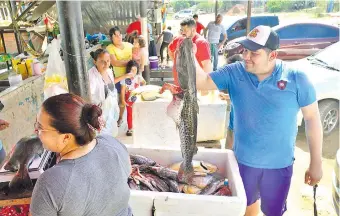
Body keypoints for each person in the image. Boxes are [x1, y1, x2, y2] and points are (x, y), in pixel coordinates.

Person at [196, 25, 323, 216]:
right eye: (245, 50)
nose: (246, 56)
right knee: (246, 208)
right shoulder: (234, 72)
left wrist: (316, 163)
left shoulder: (297, 79)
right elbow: (201, 82)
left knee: (273, 212)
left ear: (273, 56)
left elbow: (312, 118)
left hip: (279, 166)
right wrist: (189, 53)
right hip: (242, 163)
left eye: (254, 53)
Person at [30, 93, 132, 216]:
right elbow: (127, 173)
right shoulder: (112, 143)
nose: (36, 131)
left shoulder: (50, 182)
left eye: (40, 128)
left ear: (66, 137)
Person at [88, 48, 132, 137]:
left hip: (111, 111)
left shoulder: (109, 71)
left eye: (108, 61)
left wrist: (126, 76)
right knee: (101, 137)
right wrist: (96, 116)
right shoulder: (91, 76)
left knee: (111, 133)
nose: (106, 64)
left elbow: (111, 84)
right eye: (102, 61)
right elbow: (90, 97)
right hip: (100, 113)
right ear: (95, 61)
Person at [168, 18, 212, 86]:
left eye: (185, 30)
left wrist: (206, 85)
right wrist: (175, 63)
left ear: (193, 30)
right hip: (178, 85)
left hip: (194, 87)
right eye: (181, 30)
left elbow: (207, 66)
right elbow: (170, 49)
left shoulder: (201, 43)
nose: (182, 32)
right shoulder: (179, 39)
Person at [106, 26, 133, 125]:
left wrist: (127, 62)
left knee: (132, 98)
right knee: (121, 100)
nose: (119, 37)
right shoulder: (110, 48)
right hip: (119, 78)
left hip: (132, 77)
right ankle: (120, 118)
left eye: (120, 34)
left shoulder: (129, 45)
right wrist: (130, 62)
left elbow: (136, 58)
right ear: (111, 38)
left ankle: (132, 121)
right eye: (116, 36)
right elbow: (115, 63)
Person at [120, 60, 146, 136]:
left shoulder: (138, 77)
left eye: (135, 70)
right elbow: (122, 90)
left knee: (139, 112)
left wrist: (142, 85)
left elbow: (144, 82)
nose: (134, 72)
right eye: (132, 70)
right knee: (129, 113)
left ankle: (139, 126)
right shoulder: (124, 78)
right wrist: (122, 100)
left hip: (138, 96)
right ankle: (130, 128)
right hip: (129, 97)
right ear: (128, 69)